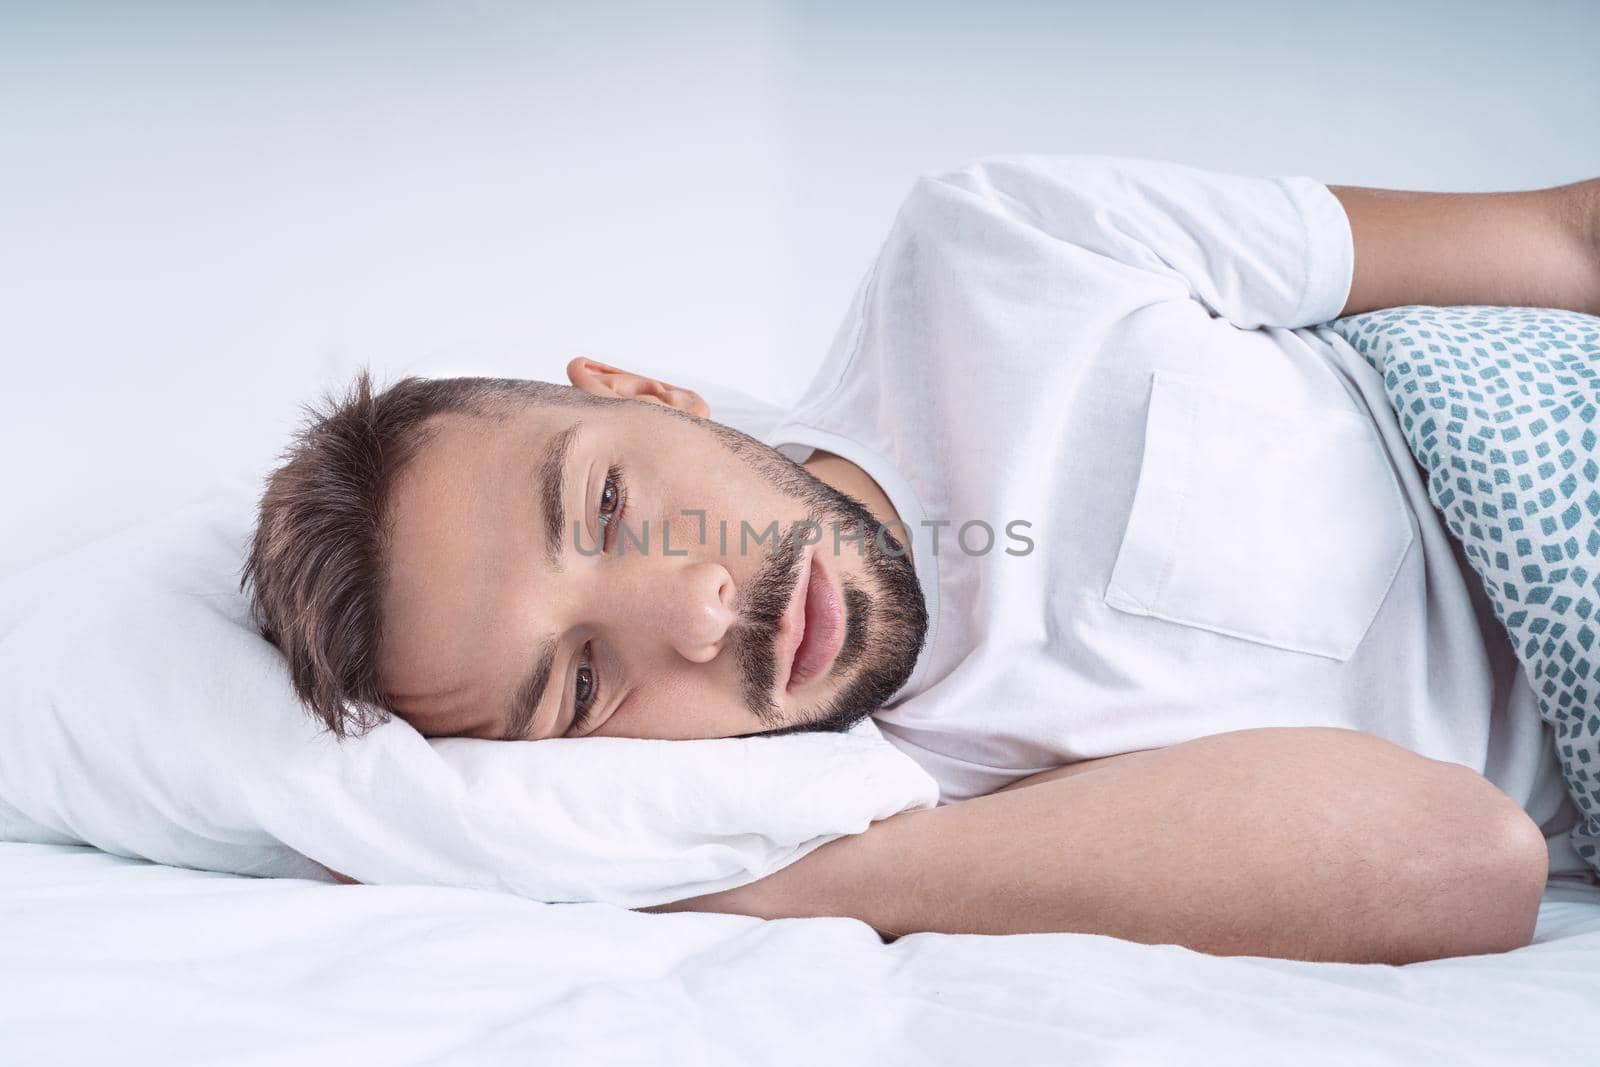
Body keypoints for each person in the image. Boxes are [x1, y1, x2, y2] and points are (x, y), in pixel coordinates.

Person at [244, 155, 1600, 964]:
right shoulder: (917, 803)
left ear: (652, 394)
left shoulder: (994, 252)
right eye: (584, 682)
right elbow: (1471, 858)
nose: (701, 611)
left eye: (605, 509)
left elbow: (1560, 238)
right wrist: (759, 889)